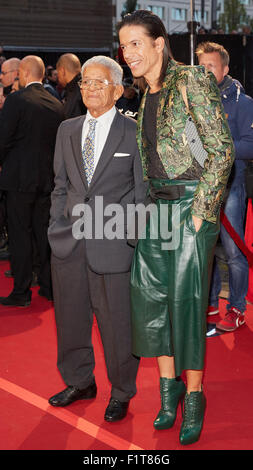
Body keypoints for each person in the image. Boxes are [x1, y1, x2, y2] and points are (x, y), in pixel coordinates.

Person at [118, 10, 234, 445]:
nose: (128, 53)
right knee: (149, 298)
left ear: (159, 43)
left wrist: (203, 212)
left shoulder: (190, 81)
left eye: (135, 44)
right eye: (123, 45)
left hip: (191, 207)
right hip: (159, 208)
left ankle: (195, 395)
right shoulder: (147, 93)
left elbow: (221, 151)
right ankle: (170, 395)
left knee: (185, 303)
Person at [47, 55, 146, 422]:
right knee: (70, 320)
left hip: (114, 246)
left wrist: (131, 240)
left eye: (99, 82)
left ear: (118, 90)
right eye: (85, 82)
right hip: (69, 242)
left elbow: (141, 193)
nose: (89, 88)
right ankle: (80, 381)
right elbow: (61, 185)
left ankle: (121, 391)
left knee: (118, 324)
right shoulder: (67, 129)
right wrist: (56, 227)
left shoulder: (133, 133)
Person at [196, 42, 253, 332]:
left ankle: (237, 307)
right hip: (201, 187)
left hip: (231, 185)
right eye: (201, 65)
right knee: (204, 249)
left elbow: (250, 144)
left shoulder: (243, 102)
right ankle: (207, 302)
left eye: (211, 66)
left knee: (233, 251)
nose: (205, 71)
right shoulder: (193, 100)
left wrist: (219, 151)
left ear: (225, 69)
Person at [0, 55, 64, 307]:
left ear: (23, 73)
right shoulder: (55, 103)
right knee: (43, 234)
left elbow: (3, 139)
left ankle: (21, 291)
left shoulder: (17, 100)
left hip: (18, 180)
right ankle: (48, 288)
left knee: (19, 234)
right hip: (47, 180)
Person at [56, 53, 86, 118]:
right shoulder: (86, 86)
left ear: (62, 71)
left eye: (58, 73)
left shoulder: (78, 92)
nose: (57, 77)